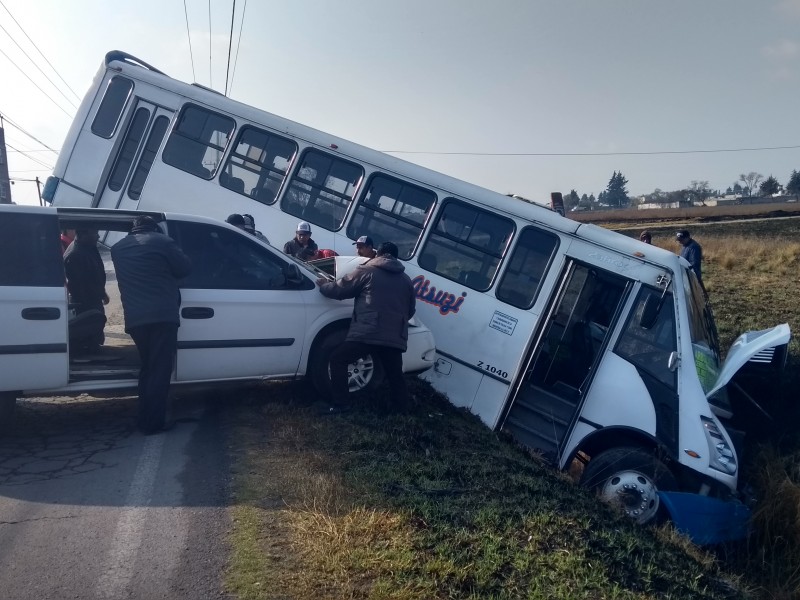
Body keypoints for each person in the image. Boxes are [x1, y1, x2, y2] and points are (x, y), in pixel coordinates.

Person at [111, 216, 192, 434]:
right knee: (159, 371)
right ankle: (153, 424)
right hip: (162, 316)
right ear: (154, 228)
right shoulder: (162, 242)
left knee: (148, 369)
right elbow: (184, 268)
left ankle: (144, 419)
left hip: (135, 319)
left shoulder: (117, 249)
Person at [316, 241, 416, 414]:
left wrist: (324, 284)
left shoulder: (367, 271)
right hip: (394, 337)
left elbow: (340, 290)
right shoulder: (406, 281)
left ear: (378, 254)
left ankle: (341, 404)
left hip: (369, 331)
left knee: (338, 359)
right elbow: (411, 310)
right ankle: (401, 412)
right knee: (395, 375)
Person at [63, 228, 109, 353]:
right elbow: (80, 285)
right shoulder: (75, 254)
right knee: (88, 334)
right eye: (94, 233)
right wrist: (93, 303)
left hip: (93, 298)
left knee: (95, 331)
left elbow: (94, 274)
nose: (98, 237)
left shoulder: (87, 247)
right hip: (85, 302)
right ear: (82, 234)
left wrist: (102, 292)